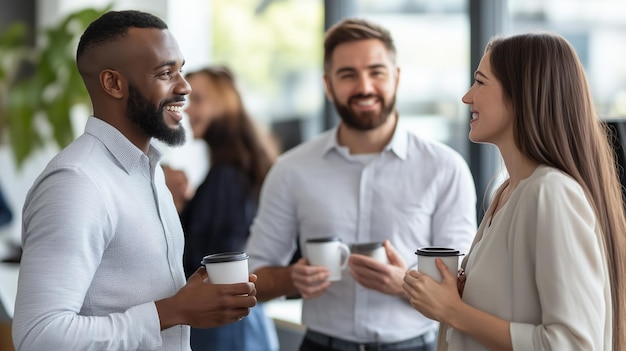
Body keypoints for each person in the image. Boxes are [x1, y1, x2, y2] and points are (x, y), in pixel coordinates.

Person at [12, 10, 257, 351]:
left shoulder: (150, 171)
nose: (184, 86)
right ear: (113, 83)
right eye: (165, 73)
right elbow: (38, 336)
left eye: (181, 70)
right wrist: (173, 310)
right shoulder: (76, 183)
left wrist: (191, 296)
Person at [245, 18, 477, 351]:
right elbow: (253, 277)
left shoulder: (445, 167)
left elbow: (464, 286)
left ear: (396, 77)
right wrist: (291, 278)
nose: (364, 86)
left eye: (376, 72)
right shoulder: (291, 169)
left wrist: (405, 283)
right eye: (348, 74)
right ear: (328, 85)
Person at [403, 32, 626, 351]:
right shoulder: (507, 191)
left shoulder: (551, 193)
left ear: (522, 94)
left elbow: (575, 344)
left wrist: (454, 311)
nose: (467, 97)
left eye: (480, 82)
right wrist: (458, 296)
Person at [164, 66, 279, 350]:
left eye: (199, 100)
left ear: (223, 105)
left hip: (224, 330)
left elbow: (208, 261)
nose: (188, 111)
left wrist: (169, 208)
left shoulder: (225, 178)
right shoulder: (235, 172)